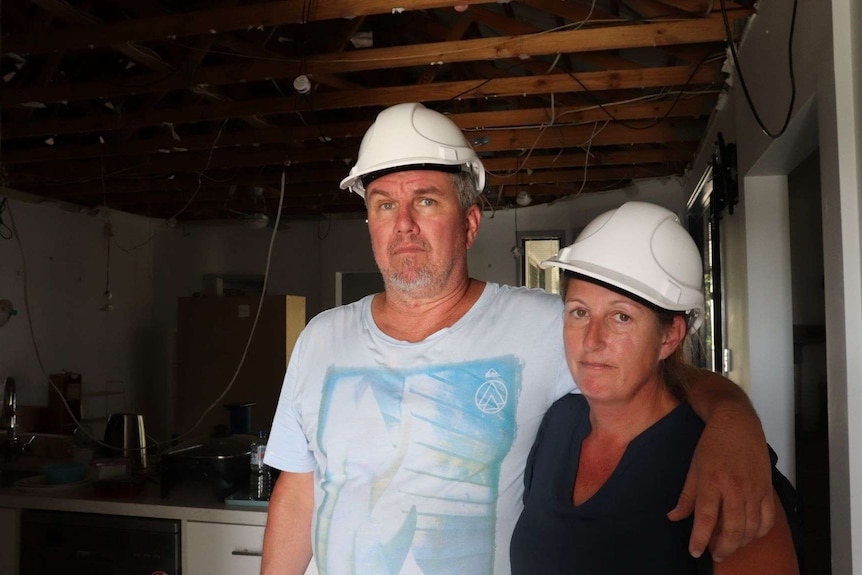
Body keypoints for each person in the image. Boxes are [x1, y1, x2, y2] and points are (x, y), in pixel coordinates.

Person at [261, 102, 775, 575]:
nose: (405, 226)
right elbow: (301, 490)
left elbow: (655, 372)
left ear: (469, 223)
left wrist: (733, 421)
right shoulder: (320, 339)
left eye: (426, 201)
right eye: (384, 205)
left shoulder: (545, 324)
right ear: (369, 221)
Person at [509, 201, 799, 574]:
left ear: (670, 336)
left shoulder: (723, 466)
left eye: (621, 317)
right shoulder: (558, 424)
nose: (592, 340)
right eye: (579, 312)